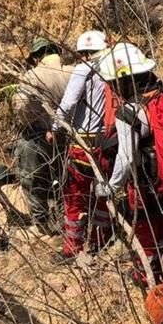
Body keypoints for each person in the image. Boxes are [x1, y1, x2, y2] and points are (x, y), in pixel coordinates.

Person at [93, 42, 163, 286]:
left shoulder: (129, 111)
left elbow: (126, 156)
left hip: (143, 182)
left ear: (124, 81)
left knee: (144, 229)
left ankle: (149, 277)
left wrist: (111, 187)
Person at [48, 30, 112, 262]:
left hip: (83, 144)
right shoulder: (115, 67)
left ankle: (72, 248)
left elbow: (69, 102)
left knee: (74, 196)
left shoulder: (84, 69)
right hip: (110, 142)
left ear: (83, 52)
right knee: (103, 195)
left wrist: (55, 128)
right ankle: (99, 242)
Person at [12, 38, 74, 231]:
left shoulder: (32, 76)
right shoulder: (74, 72)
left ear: (37, 58)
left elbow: (21, 105)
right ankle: (70, 218)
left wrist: (29, 121)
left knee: (31, 178)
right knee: (67, 177)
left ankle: (42, 224)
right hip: (73, 136)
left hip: (41, 134)